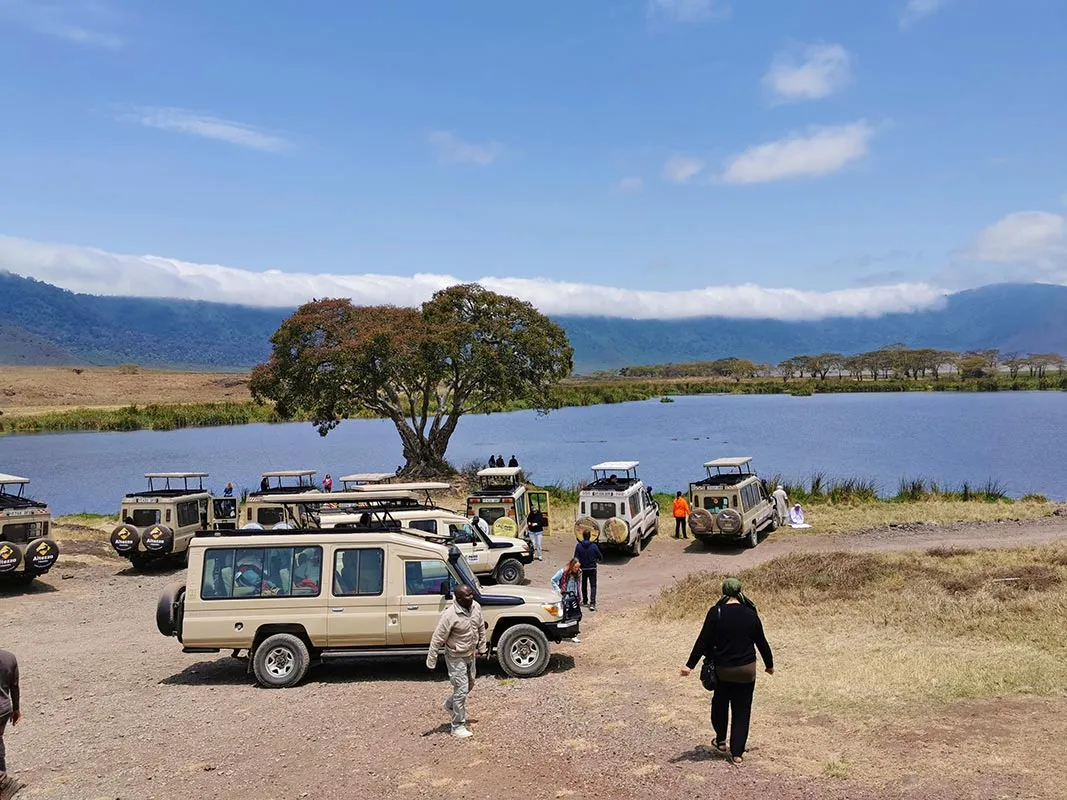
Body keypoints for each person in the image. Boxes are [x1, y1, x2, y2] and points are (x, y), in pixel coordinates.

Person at [680, 577, 774, 764]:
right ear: (740, 592)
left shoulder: (716, 612)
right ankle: (737, 753)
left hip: (723, 670)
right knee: (742, 709)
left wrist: (689, 665)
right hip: (747, 670)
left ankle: (721, 741)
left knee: (720, 703)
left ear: (723, 592)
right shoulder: (750, 613)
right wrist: (769, 665)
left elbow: (703, 640)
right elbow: (761, 642)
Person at [426, 584, 486, 739]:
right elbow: (437, 638)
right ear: (458, 598)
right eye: (467, 595)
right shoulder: (449, 615)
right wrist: (431, 660)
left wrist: (482, 647)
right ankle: (457, 726)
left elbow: (481, 627)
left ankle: (451, 704)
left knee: (470, 684)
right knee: (461, 689)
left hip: (470, 654)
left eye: (471, 594)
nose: (471, 597)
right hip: (455, 656)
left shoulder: (476, 607)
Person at [0, 648, 22, 784]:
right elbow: (15, 686)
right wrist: (16, 709)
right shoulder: (9, 657)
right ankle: (2, 775)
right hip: (3, 709)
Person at [574, 530, 603, 611]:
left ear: (582, 536)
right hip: (592, 568)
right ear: (590, 536)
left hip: (583, 568)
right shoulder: (594, 546)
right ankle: (592, 603)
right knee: (593, 585)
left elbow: (576, 558)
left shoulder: (578, 546)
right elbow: (600, 556)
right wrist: (598, 560)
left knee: (584, 584)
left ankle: (585, 600)